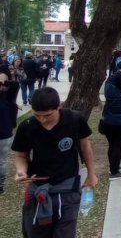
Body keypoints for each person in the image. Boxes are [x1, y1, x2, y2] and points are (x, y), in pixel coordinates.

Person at [11, 87, 98, 237]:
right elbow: (21, 156)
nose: (42, 119)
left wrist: (91, 173)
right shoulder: (27, 126)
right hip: (38, 188)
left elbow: (85, 146)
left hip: (67, 187)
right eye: (37, 115)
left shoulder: (75, 120)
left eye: (47, 115)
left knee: (65, 233)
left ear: (59, 106)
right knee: (36, 233)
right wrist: (21, 171)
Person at [0, 71, 19, 194]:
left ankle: (0, 185)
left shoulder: (7, 96)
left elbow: (16, 84)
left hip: (4, 135)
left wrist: (3, 81)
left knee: (1, 162)